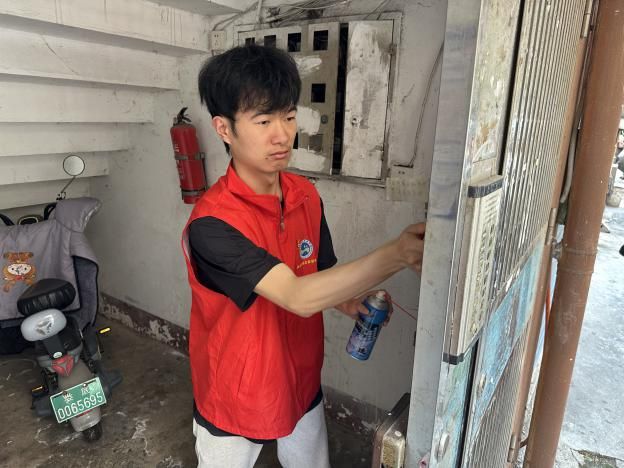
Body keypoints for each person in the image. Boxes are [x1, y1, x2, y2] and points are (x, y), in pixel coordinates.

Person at [182, 44, 426, 468]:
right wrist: (398, 254)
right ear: (224, 129)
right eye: (263, 121)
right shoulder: (212, 224)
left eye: (289, 117)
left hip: (299, 379)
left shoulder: (306, 196)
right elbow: (297, 295)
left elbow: (318, 275)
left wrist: (348, 302)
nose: (282, 135)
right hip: (237, 394)